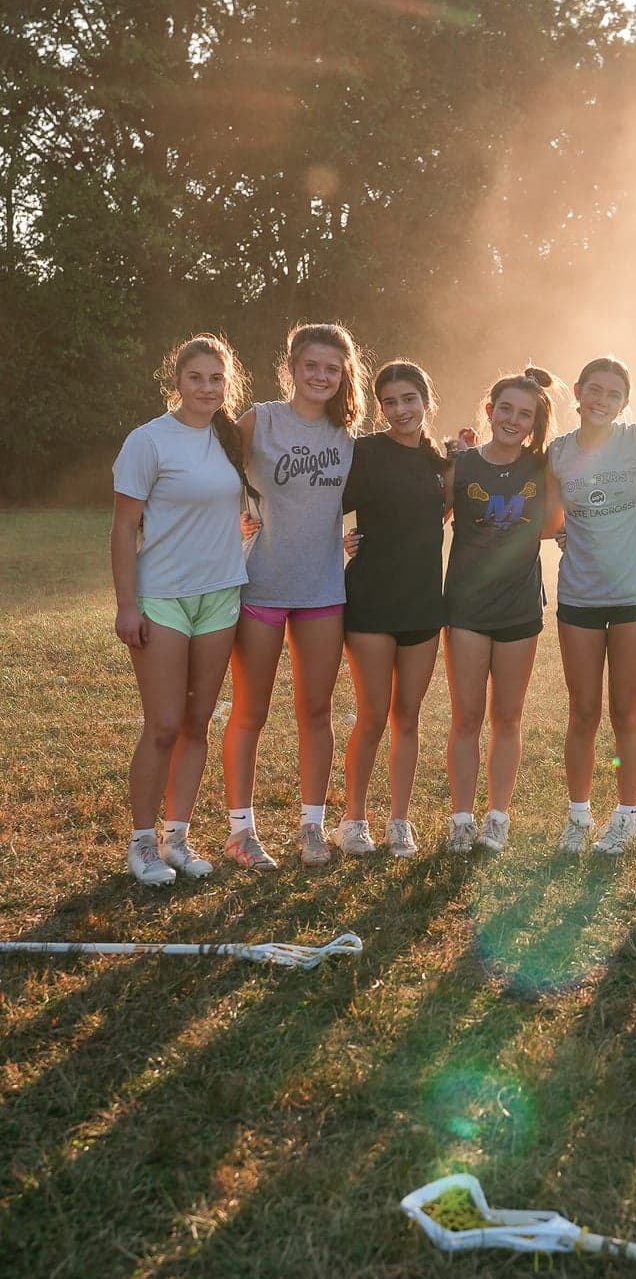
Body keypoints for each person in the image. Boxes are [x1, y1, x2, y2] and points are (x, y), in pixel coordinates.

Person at [221, 322, 371, 869]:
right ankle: (241, 832)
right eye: (311, 365)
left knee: (315, 710)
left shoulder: (347, 438)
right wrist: (232, 519)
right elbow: (211, 475)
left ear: (344, 375)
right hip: (261, 584)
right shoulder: (260, 420)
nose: (320, 376)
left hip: (322, 588)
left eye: (332, 368)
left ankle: (313, 826)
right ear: (291, 367)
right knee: (251, 710)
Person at [111, 335, 256, 885]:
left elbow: (227, 506)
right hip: (162, 598)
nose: (207, 388)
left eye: (216, 379)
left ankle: (177, 839)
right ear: (177, 381)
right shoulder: (148, 441)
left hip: (220, 595)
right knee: (165, 724)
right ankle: (142, 844)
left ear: (227, 385)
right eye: (196, 377)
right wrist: (127, 605)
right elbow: (123, 528)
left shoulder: (229, 439)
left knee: (197, 724)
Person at [332, 362, 453, 860]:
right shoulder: (364, 453)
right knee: (373, 715)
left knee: (408, 716)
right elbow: (320, 506)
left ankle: (399, 822)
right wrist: (339, 540)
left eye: (409, 399)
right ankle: (353, 820)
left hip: (423, 604)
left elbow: (450, 511)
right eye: (390, 402)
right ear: (380, 407)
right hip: (371, 600)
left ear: (426, 400)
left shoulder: (441, 462)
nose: (400, 410)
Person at [441, 367, 561, 853]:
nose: (513, 420)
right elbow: (424, 517)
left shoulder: (542, 467)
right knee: (466, 718)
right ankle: (461, 819)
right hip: (467, 607)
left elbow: (553, 524)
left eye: (524, 414)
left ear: (535, 423)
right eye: (505, 409)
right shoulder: (461, 465)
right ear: (489, 411)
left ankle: (497, 818)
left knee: (507, 717)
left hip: (518, 606)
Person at [547, 356, 636, 856]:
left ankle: (626, 814)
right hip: (579, 596)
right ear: (578, 391)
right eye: (595, 390)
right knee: (583, 711)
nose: (602, 401)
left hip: (634, 596)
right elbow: (551, 518)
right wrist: (562, 534)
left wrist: (633, 545)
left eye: (614, 394)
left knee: (624, 710)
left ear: (625, 402)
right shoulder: (558, 451)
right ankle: (579, 815)